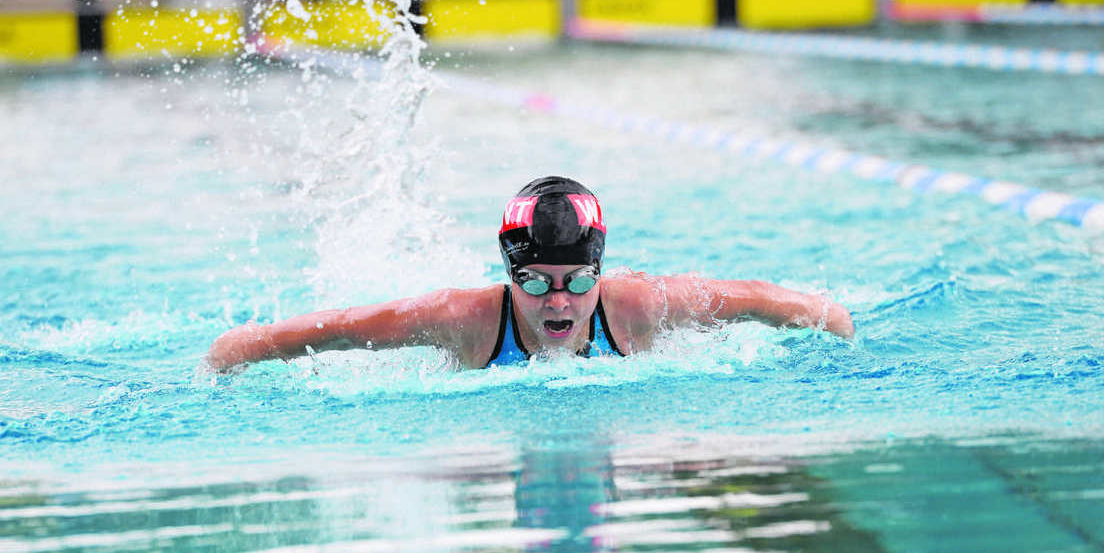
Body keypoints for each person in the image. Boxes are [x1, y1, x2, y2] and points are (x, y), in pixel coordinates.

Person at [204, 176, 854, 372]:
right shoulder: (461, 319)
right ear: (509, 277)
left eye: (575, 282)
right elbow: (340, 330)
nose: (558, 302)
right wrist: (240, 349)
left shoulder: (641, 306)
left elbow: (762, 300)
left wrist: (842, 339)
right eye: (536, 283)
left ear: (599, 275)